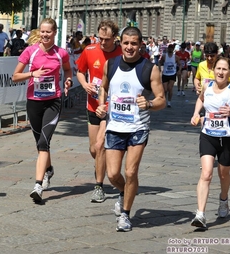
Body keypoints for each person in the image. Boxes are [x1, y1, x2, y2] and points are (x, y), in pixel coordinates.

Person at [96, 26, 166, 232]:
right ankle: (125, 191)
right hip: (115, 127)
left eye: (133, 43)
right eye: (126, 43)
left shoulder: (149, 68)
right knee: (113, 174)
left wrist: (151, 104)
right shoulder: (111, 64)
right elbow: (104, 87)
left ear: (140, 45)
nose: (129, 47)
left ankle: (125, 215)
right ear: (121, 43)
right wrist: (101, 104)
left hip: (138, 128)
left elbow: (162, 99)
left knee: (131, 171)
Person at [12, 18, 73, 203]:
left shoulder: (61, 53)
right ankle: (48, 169)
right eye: (43, 32)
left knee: (43, 142)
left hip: (53, 101)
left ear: (55, 32)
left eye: (49, 32)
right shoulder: (30, 52)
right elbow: (15, 76)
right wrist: (32, 73)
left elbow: (68, 70)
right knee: (40, 142)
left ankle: (38, 186)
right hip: (34, 102)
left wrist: (68, 81)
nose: (45, 35)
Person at [190, 57, 230, 229]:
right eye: (218, 68)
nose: (221, 72)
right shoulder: (207, 86)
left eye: (225, 69)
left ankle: (223, 199)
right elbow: (201, 99)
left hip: (228, 138)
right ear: (213, 70)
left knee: (223, 174)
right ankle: (200, 214)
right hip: (208, 135)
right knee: (206, 173)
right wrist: (196, 114)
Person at [76, 20, 123, 203]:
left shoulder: (122, 54)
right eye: (100, 38)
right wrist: (85, 84)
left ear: (115, 38)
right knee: (94, 149)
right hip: (93, 105)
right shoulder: (89, 51)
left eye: (107, 40)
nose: (103, 43)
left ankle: (99, 186)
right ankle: (104, 164)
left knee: (100, 145)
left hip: (112, 107)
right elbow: (80, 71)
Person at [159, 43, 181, 108]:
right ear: (168, 49)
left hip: (172, 74)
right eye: (169, 48)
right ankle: (164, 100)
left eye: (171, 48)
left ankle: (169, 102)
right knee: (165, 89)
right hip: (165, 74)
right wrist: (159, 68)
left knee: (170, 88)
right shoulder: (164, 56)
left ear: (173, 49)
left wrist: (179, 70)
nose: (170, 49)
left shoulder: (176, 57)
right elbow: (160, 62)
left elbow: (180, 64)